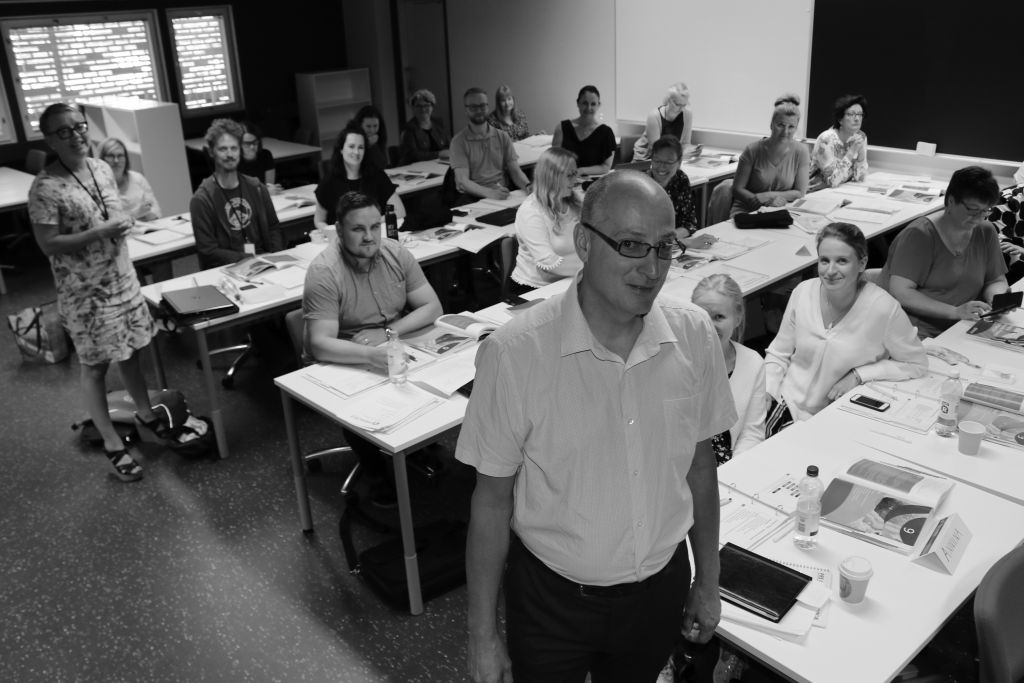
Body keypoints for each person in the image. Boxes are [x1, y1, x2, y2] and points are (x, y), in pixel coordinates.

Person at [458, 170, 735, 683]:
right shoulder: (515, 354)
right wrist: (482, 636)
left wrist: (708, 579)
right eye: (631, 245)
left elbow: (701, 468)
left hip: (658, 589)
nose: (651, 268)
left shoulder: (694, 335)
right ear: (584, 242)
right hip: (551, 601)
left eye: (664, 248)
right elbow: (491, 501)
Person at [28, 103, 164, 482]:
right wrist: (99, 233)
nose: (76, 135)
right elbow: (49, 245)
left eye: (79, 126)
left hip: (123, 279)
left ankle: (147, 415)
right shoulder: (45, 187)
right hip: (86, 295)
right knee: (96, 367)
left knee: (134, 352)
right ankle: (112, 443)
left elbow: (113, 213)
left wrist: (122, 223)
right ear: (49, 139)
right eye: (63, 131)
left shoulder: (102, 168)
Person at [302, 190, 443, 505]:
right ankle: (375, 470)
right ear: (339, 231)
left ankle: (416, 445)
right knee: (367, 401)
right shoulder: (325, 271)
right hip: (344, 354)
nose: (369, 237)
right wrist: (370, 353)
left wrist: (388, 333)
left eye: (375, 227)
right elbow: (320, 344)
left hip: (386, 341)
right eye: (358, 229)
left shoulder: (395, 253)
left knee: (437, 381)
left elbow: (432, 307)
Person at [765, 222, 927, 433]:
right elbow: (779, 353)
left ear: (862, 263)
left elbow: (916, 363)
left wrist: (859, 375)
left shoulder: (883, 309)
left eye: (842, 261)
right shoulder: (803, 292)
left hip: (835, 418)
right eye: (824, 261)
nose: (830, 271)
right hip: (784, 405)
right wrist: (767, 391)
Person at [879, 166, 1009, 338]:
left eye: (986, 211)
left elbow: (996, 279)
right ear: (951, 200)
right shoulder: (919, 235)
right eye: (972, 210)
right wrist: (954, 312)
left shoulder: (985, 231)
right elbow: (902, 293)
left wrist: (996, 300)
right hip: (917, 330)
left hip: (965, 325)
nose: (978, 218)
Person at [190, 118, 283, 269]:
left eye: (234, 148)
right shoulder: (201, 200)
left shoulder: (257, 188)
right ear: (212, 152)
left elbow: (273, 228)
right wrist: (251, 259)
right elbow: (208, 251)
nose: (229, 154)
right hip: (228, 269)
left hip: (266, 264)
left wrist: (276, 259)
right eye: (223, 149)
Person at [692, 274, 766, 461]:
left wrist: (733, 472)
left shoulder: (752, 363)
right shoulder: (676, 360)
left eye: (719, 317)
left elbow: (752, 433)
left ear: (738, 318)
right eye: (702, 316)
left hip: (729, 466)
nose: (709, 325)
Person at [510, 147, 583, 291]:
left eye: (575, 173)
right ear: (552, 177)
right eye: (569, 175)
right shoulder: (531, 211)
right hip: (535, 289)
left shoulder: (575, 202)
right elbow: (548, 264)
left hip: (572, 281)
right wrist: (590, 266)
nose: (575, 180)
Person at [313, 127, 406, 236]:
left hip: (373, 238)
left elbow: (400, 212)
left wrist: (371, 223)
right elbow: (319, 220)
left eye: (361, 147)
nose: (356, 152)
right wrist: (329, 230)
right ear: (341, 149)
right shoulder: (329, 181)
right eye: (351, 146)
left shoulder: (377, 176)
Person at [731, 93, 809, 216]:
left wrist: (768, 196)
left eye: (791, 127)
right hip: (747, 210)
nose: (785, 131)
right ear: (771, 124)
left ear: (796, 128)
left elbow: (800, 192)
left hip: (780, 210)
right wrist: (762, 202)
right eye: (780, 125)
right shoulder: (752, 150)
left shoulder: (801, 151)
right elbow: (737, 189)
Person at [450, 87, 531, 203]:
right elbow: (462, 181)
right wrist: (490, 193)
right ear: (466, 110)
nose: (479, 110)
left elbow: (515, 171)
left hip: (502, 192)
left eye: (482, 106)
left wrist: (528, 186)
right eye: (473, 107)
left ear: (488, 107)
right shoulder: (458, 142)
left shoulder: (502, 136)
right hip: (475, 197)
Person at [647, 135, 716, 250]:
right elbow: (646, 238)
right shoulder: (642, 186)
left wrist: (673, 239)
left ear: (679, 162)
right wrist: (685, 243)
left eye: (669, 162)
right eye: (657, 161)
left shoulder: (681, 179)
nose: (661, 167)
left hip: (671, 246)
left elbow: (690, 223)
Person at [551, 85, 616, 176]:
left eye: (593, 104)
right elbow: (554, 160)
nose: (589, 108)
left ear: (598, 105)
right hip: (564, 179)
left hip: (593, 183)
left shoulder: (606, 133)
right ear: (578, 103)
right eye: (584, 103)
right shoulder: (562, 128)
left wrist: (581, 171)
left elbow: (605, 167)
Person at [809, 94, 868, 190]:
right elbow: (832, 181)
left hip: (842, 189)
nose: (857, 119)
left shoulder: (861, 137)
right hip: (817, 191)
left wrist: (861, 154)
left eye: (860, 114)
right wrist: (851, 152)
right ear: (840, 119)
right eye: (851, 114)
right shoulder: (826, 139)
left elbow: (860, 178)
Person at [97, 137, 160, 221]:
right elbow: (107, 222)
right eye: (111, 156)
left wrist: (148, 213)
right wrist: (136, 213)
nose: (116, 160)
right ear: (102, 159)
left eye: (120, 156)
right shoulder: (98, 186)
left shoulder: (138, 178)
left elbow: (156, 211)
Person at [633, 82, 694, 162]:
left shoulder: (687, 114)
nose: (681, 109)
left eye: (684, 105)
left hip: (671, 159)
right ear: (669, 100)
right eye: (678, 104)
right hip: (646, 159)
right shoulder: (654, 116)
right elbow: (656, 149)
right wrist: (681, 155)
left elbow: (685, 144)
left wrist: (692, 151)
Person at [398, 88, 451, 164]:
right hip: (416, 169)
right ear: (413, 108)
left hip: (439, 164)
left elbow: (449, 145)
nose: (423, 109)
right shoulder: (409, 128)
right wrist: (439, 154)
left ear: (432, 107)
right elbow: (413, 155)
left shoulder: (438, 123)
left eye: (426, 105)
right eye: (418, 106)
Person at [237, 121, 278, 189]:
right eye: (247, 143)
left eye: (254, 142)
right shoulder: (232, 161)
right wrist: (264, 191)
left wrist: (268, 190)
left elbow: (269, 186)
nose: (252, 146)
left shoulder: (265, 155)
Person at [349, 105, 389, 172]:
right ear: (360, 125)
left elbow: (382, 165)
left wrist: (373, 146)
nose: (372, 130)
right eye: (368, 126)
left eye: (375, 126)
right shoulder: (351, 137)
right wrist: (368, 145)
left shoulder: (379, 135)